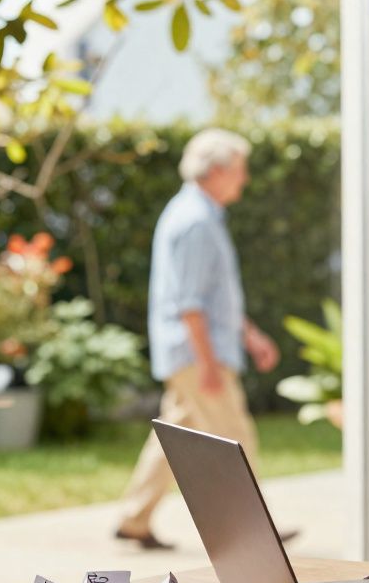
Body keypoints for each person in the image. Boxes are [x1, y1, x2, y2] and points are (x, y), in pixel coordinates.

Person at [114, 128, 284, 550]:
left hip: (195, 349)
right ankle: (255, 534)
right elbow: (189, 303)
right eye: (240, 169)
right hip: (197, 352)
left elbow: (214, 296)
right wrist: (207, 363)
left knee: (173, 434)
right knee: (235, 438)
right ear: (218, 171)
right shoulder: (195, 221)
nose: (245, 179)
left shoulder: (201, 215)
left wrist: (250, 335)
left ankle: (134, 518)